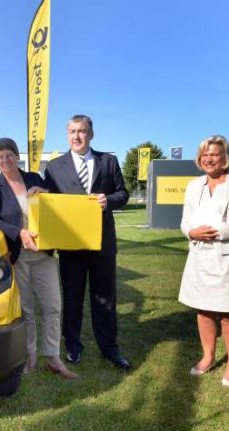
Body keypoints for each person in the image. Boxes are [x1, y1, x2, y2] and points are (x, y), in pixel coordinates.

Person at [0, 137, 77, 380]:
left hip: (43, 254)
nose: (5, 160)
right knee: (26, 309)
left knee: (53, 306)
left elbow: (57, 202)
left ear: (17, 156)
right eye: (0, 157)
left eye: (9, 155)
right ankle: (30, 355)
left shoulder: (34, 178)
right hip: (17, 256)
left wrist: (44, 192)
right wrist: (18, 231)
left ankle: (53, 357)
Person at [43, 114, 131, 369]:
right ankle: (73, 347)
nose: (76, 136)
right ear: (67, 134)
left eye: (81, 131)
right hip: (71, 244)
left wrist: (108, 200)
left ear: (91, 134)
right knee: (72, 297)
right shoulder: (55, 166)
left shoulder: (109, 161)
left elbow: (123, 193)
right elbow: (49, 201)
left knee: (104, 297)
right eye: (72, 131)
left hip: (102, 243)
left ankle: (110, 348)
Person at [178, 135, 229, 386]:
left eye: (214, 154)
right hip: (199, 257)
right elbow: (185, 221)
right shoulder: (193, 185)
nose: (209, 158)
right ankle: (208, 357)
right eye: (205, 155)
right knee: (203, 310)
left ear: (225, 158)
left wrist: (219, 231)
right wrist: (191, 232)